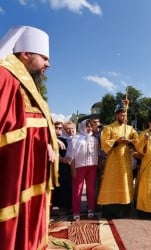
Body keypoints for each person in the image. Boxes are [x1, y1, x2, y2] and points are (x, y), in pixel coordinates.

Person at [0, 26, 58, 249]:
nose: (48, 64)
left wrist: (48, 144)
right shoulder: (5, 75)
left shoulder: (25, 82)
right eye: (44, 57)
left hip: (32, 167)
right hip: (13, 173)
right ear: (25, 54)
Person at [97, 100, 139, 218]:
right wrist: (117, 141)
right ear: (116, 115)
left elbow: (138, 141)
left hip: (125, 159)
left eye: (125, 115)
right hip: (113, 161)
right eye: (121, 114)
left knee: (125, 182)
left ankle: (125, 210)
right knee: (112, 182)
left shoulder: (130, 128)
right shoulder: (109, 128)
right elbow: (104, 143)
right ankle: (110, 210)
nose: (123, 116)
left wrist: (130, 142)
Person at [66, 119, 99, 220]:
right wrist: (72, 168)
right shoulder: (75, 139)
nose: (88, 128)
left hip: (92, 166)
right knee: (77, 190)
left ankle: (91, 209)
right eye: (87, 126)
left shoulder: (94, 139)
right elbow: (71, 155)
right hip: (79, 167)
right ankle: (76, 211)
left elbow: (97, 153)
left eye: (90, 126)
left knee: (91, 189)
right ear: (82, 127)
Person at [51, 121, 72, 215]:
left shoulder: (68, 139)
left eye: (60, 128)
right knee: (58, 186)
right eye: (57, 128)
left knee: (67, 185)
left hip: (67, 166)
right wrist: (61, 159)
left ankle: (66, 207)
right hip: (56, 166)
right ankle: (58, 207)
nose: (58, 130)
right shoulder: (53, 139)